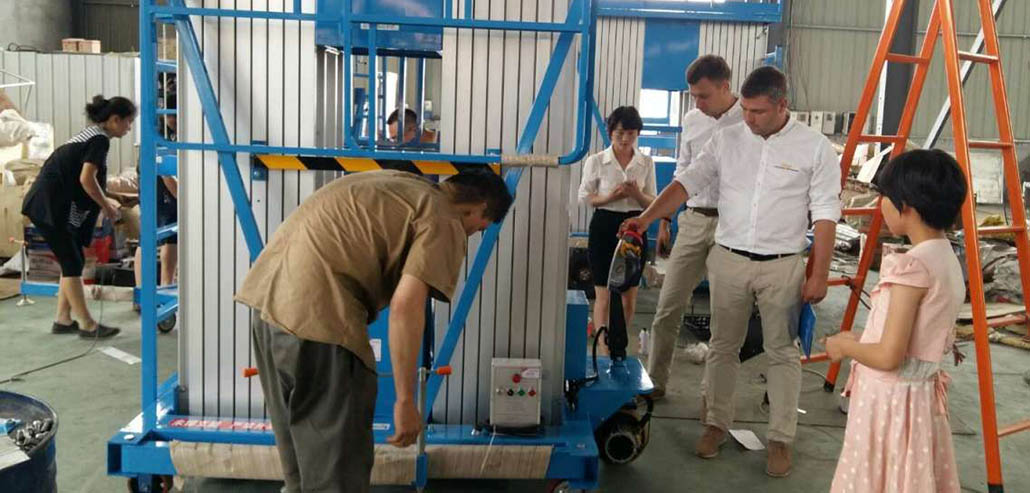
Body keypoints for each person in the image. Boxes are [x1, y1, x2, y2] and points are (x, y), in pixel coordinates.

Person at [621, 66, 841, 477]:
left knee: (782, 351)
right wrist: (646, 218)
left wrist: (819, 273)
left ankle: (780, 439)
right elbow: (686, 183)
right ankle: (716, 424)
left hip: (782, 264)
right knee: (723, 346)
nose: (749, 118)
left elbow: (827, 213)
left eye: (758, 112)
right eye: (746, 109)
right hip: (729, 259)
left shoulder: (814, 148)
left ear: (782, 105)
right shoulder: (727, 139)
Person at [235, 169, 513, 492]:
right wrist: (405, 400)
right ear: (477, 208)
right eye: (481, 227)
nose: (473, 233)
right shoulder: (444, 217)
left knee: (301, 470)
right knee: (336, 474)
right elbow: (405, 308)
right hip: (319, 320)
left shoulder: (397, 184)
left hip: (266, 308)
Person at [825, 150, 967, 493]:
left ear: (906, 206)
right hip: (917, 399)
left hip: (890, 404)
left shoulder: (912, 268)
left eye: (884, 197)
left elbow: (890, 356)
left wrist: (844, 346)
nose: (880, 205)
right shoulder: (946, 257)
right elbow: (917, 337)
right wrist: (862, 338)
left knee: (878, 479)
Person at [648, 54, 743, 400]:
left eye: (703, 96)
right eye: (693, 96)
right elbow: (683, 170)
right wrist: (664, 220)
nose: (697, 104)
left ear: (725, 87)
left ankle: (711, 400)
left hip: (732, 226)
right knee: (667, 308)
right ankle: (654, 383)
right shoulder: (692, 120)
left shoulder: (748, 120)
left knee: (724, 320)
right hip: (693, 219)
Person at [21, 95, 137, 339]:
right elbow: (86, 179)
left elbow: (82, 178)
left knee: (72, 259)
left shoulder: (91, 135)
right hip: (50, 205)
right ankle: (87, 324)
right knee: (72, 261)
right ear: (115, 120)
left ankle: (63, 319)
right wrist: (106, 206)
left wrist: (113, 196)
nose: (129, 128)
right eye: (128, 121)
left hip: (52, 202)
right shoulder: (99, 140)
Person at [577, 106, 656, 340]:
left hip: (635, 227)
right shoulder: (597, 161)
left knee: (628, 295)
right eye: (620, 133)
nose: (625, 139)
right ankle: (603, 349)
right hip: (604, 225)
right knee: (603, 294)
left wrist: (636, 194)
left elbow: (653, 202)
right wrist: (612, 197)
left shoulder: (646, 162)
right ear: (610, 132)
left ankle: (618, 343)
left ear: (637, 134)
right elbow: (584, 197)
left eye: (631, 133)